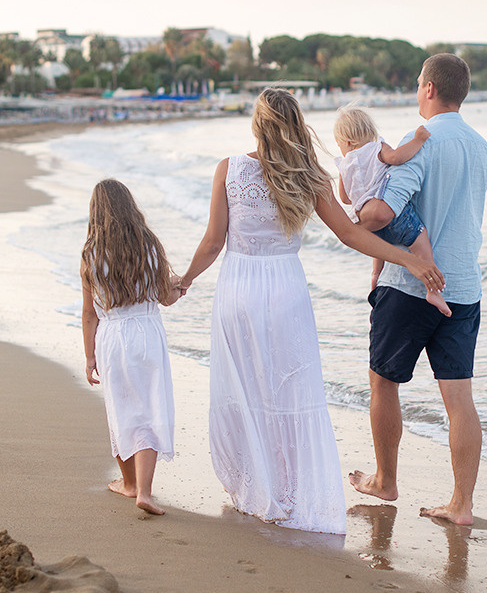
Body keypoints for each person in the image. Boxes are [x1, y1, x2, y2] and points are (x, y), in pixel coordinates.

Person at [178, 87, 444, 534]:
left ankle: (256, 485)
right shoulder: (311, 176)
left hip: (238, 291)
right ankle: (287, 490)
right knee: (289, 393)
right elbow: (352, 235)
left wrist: (183, 281)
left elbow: (212, 242)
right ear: (297, 122)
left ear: (258, 124)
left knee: (247, 389)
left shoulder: (229, 169)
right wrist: (409, 259)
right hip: (285, 290)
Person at [348, 53, 487, 527]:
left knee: (383, 382)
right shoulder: (481, 146)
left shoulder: (422, 142)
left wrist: (355, 218)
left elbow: (385, 212)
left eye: (417, 83)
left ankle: (385, 480)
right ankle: (462, 506)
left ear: (430, 88)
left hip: (409, 286)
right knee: (459, 400)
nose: (416, 90)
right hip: (464, 289)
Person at [81, 178, 182, 516]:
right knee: (150, 407)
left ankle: (128, 484)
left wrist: (89, 356)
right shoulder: (149, 246)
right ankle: (146, 492)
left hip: (111, 337)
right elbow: (164, 297)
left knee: (121, 410)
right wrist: (178, 288)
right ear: (129, 206)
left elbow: (88, 314)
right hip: (147, 333)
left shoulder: (90, 256)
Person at [332, 105, 451, 317]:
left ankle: (376, 276)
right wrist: (419, 140)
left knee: (381, 248)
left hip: (367, 226)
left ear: (346, 142)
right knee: (420, 238)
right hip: (395, 218)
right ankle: (433, 291)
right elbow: (397, 158)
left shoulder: (344, 164)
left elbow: (345, 198)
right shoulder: (376, 147)